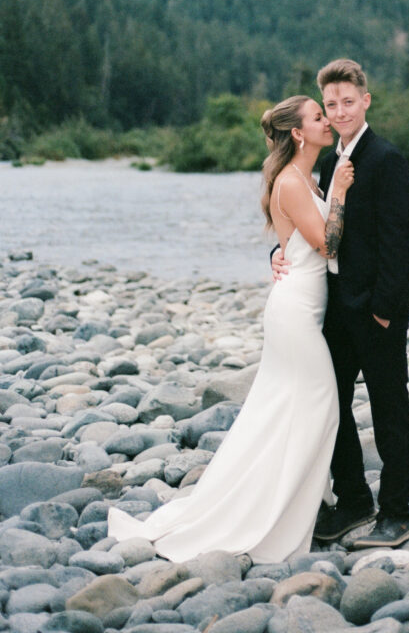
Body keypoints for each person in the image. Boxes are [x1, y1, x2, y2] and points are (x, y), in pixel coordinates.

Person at [108, 95, 354, 563]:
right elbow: (326, 246)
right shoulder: (293, 182)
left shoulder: (304, 178)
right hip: (296, 312)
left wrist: (287, 244)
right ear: (298, 133)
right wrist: (340, 191)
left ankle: (287, 501)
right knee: (320, 404)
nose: (327, 120)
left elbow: (296, 243)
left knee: (284, 409)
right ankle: (273, 509)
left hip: (304, 307)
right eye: (318, 116)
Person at [273, 59, 409, 549]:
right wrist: (279, 252)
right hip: (336, 305)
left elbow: (399, 242)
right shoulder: (326, 160)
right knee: (331, 402)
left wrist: (383, 309)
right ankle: (355, 500)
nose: (338, 112)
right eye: (331, 105)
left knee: (389, 406)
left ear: (366, 101)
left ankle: (397, 513)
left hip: (378, 307)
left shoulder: (386, 159)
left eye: (347, 102)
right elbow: (312, 224)